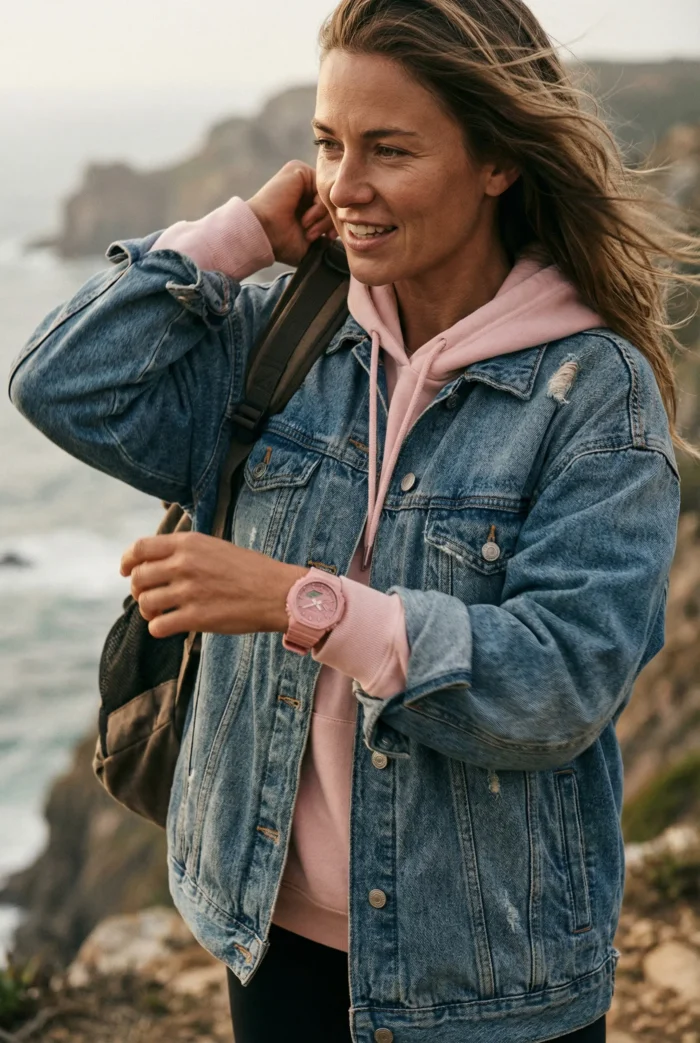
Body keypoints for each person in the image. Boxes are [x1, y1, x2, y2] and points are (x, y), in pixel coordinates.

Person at [8, 0, 699, 1040]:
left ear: (497, 162)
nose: (344, 183)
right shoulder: (283, 339)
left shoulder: (592, 395)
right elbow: (62, 383)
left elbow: (561, 683)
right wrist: (238, 236)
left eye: (389, 149)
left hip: (487, 975)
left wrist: (300, 601)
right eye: (328, 144)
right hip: (268, 933)